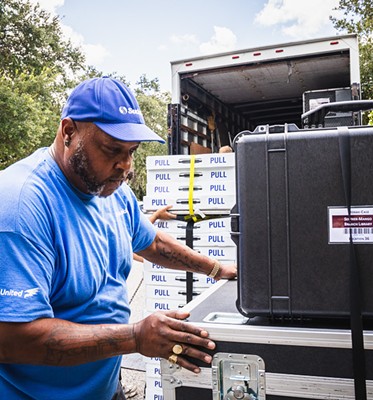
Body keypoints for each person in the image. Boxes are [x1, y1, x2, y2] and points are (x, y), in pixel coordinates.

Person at [0, 77, 237, 400]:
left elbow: (152, 242)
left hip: (106, 387)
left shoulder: (111, 191)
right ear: (69, 132)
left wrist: (216, 269)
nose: (125, 167)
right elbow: (12, 339)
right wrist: (136, 337)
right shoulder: (21, 205)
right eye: (112, 149)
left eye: (131, 152)